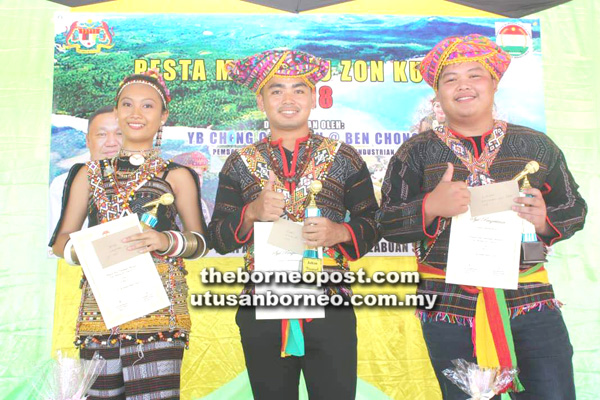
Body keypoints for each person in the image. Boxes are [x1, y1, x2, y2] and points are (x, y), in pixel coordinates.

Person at [377, 34, 587, 399]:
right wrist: (430, 207)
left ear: (494, 83)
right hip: (448, 306)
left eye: (475, 75)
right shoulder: (415, 152)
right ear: (438, 95)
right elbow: (388, 222)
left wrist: (542, 220)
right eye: (450, 79)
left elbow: (575, 208)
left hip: (530, 298)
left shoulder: (535, 145)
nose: (463, 86)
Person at [208, 49, 379, 399]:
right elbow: (218, 237)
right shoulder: (239, 163)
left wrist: (340, 232)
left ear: (314, 98)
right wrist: (251, 213)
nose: (288, 99)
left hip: (330, 302)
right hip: (261, 302)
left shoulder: (344, 157)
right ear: (260, 101)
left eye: (299, 89)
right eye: (276, 90)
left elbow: (373, 222)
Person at [49, 69, 209, 400]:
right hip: (100, 310)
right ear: (117, 110)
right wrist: (92, 251)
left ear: (163, 116)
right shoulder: (86, 174)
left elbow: (201, 243)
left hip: (159, 313)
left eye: (148, 106)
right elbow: (61, 240)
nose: (136, 114)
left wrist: (165, 241)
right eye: (127, 104)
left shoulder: (176, 175)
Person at [48, 106, 122, 254]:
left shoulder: (149, 182)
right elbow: (55, 248)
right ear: (87, 141)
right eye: (101, 134)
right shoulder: (62, 184)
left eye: (120, 134)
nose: (111, 142)